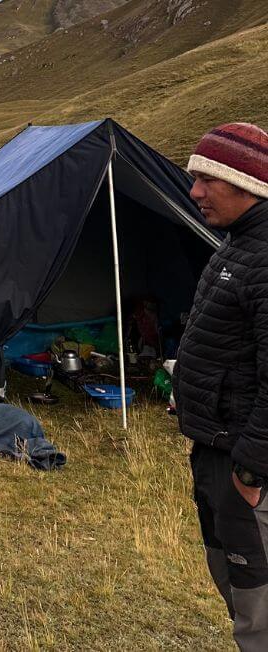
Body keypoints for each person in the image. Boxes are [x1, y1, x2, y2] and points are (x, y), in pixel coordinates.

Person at [176, 122, 268, 650]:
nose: (195, 192)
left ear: (245, 183)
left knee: (258, 598)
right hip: (215, 450)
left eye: (207, 179)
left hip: (246, 464)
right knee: (232, 581)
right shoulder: (235, 247)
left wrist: (252, 471)